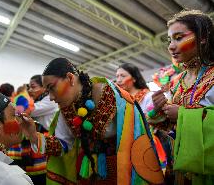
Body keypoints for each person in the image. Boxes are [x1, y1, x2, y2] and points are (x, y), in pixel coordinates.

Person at [21, 58, 164, 184]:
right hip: (87, 171)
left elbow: (136, 136)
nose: (51, 97)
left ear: (70, 78)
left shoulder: (112, 95)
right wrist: (33, 135)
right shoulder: (66, 108)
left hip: (123, 170)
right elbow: (63, 145)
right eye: (47, 92)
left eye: (52, 88)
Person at [152, 10, 214, 184]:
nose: (171, 46)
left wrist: (183, 114)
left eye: (179, 38)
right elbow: (169, 127)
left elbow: (180, 115)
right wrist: (161, 109)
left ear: (202, 37)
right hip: (180, 169)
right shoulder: (177, 82)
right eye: (170, 40)